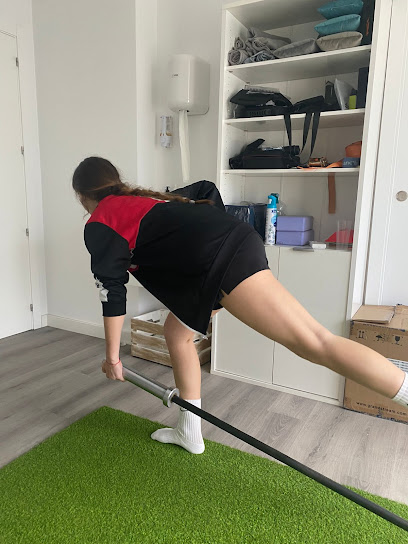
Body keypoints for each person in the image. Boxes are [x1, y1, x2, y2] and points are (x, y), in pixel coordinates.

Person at [73, 156, 408, 455]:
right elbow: (206, 189)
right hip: (225, 252)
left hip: (224, 259)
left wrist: (113, 358)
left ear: (82, 196)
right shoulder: (139, 198)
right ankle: (189, 432)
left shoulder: (101, 221)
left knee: (314, 342)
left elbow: (112, 291)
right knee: (176, 333)